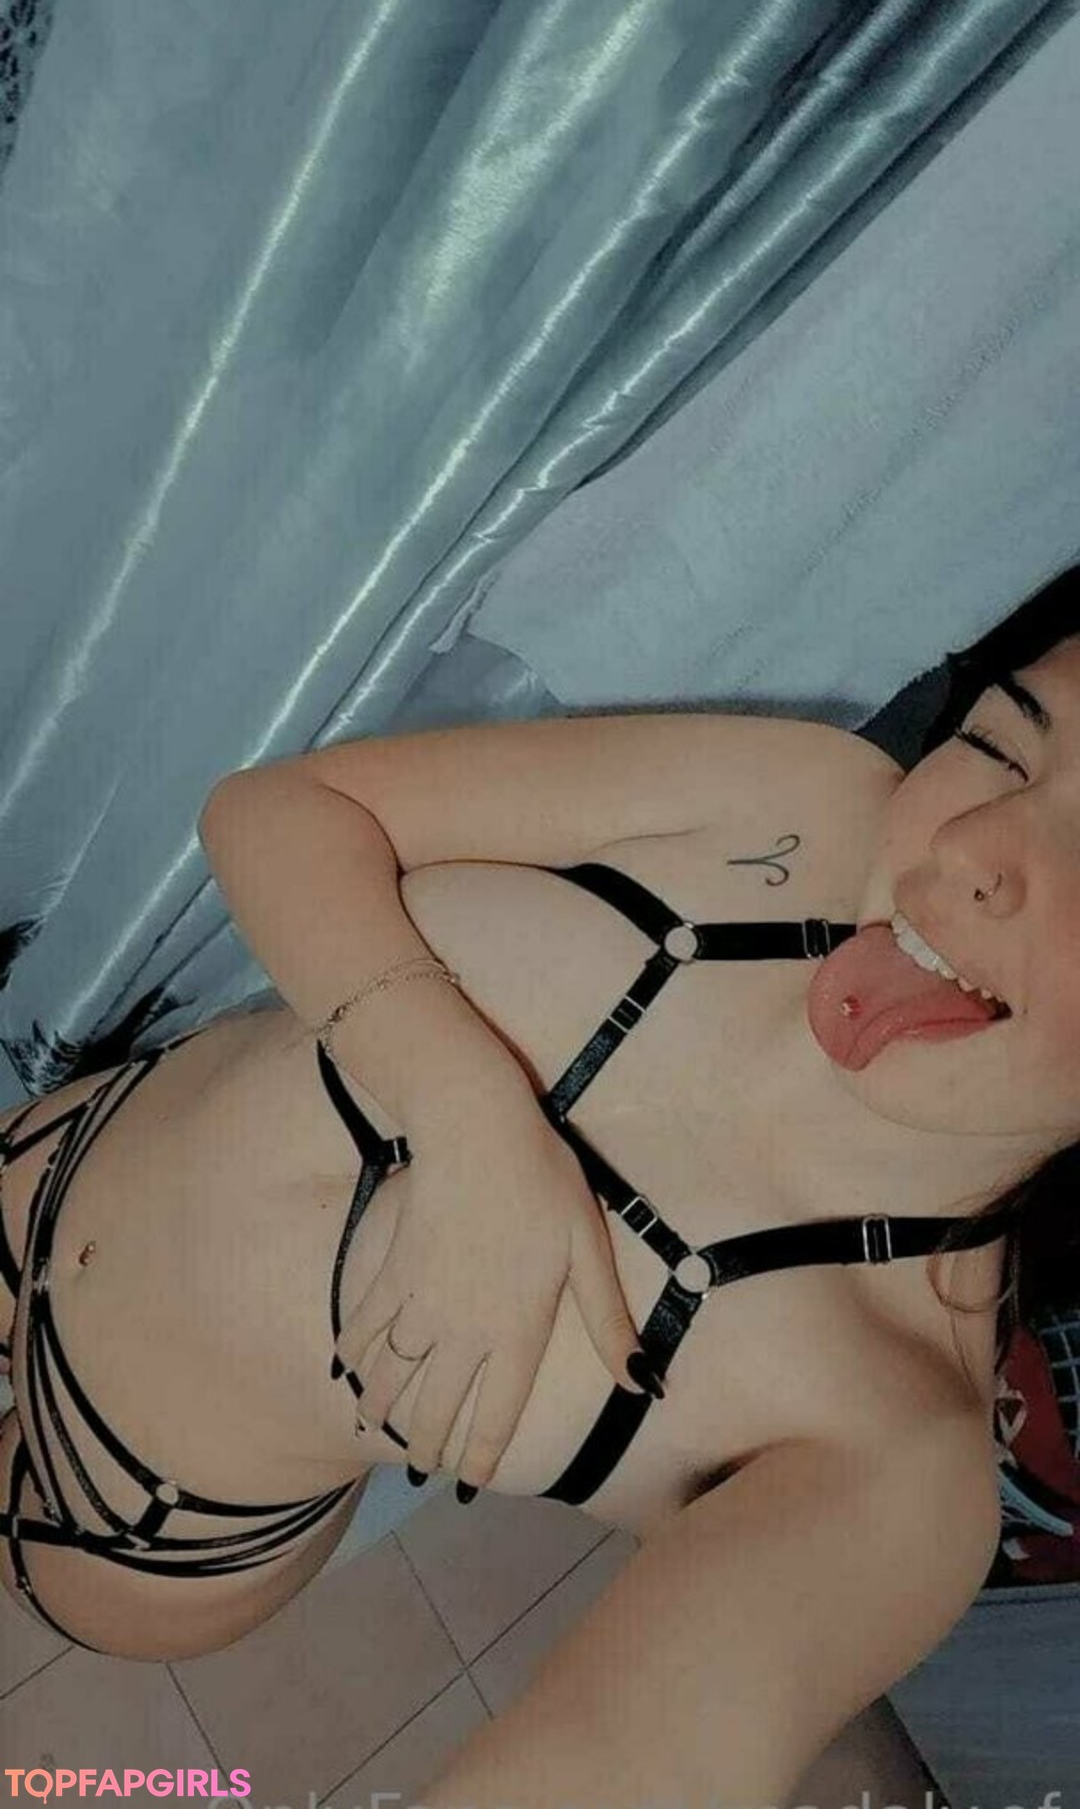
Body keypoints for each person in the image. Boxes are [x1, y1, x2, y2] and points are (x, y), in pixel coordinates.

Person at [1, 564, 1078, 1807]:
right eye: (1002, 746)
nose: (974, 846)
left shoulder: (897, 1457)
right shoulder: (805, 801)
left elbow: (629, 1760)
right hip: (52, 1154)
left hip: (126, 1518)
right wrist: (466, 1112)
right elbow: (277, 810)